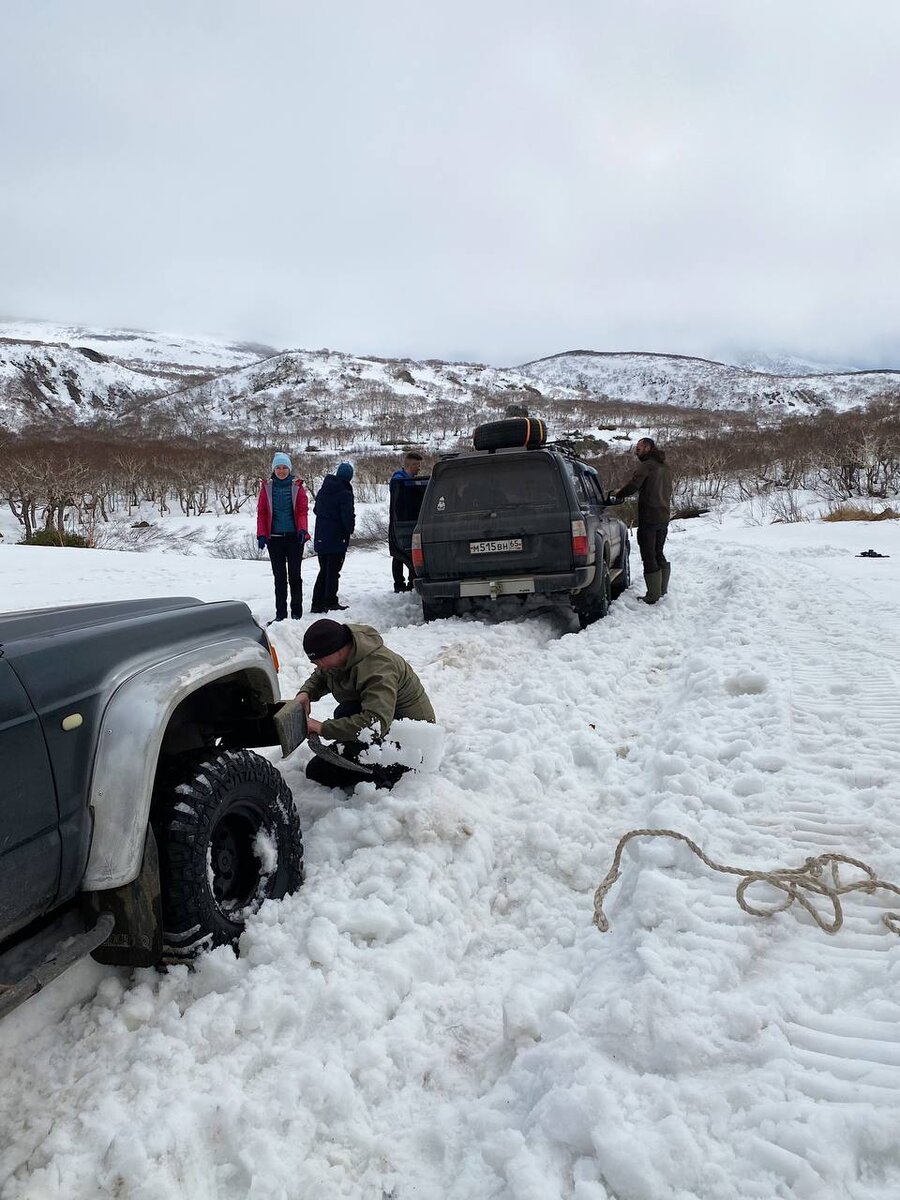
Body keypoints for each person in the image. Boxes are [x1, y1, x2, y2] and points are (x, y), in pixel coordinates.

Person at [296, 619, 436, 789]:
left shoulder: (378, 667)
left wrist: (322, 728)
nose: (318, 666)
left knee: (346, 713)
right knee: (317, 770)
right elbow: (322, 675)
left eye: (319, 660)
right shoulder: (343, 656)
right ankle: (360, 754)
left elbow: (375, 724)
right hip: (385, 731)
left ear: (337, 650)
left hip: (412, 746)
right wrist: (306, 693)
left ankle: (383, 776)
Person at [609, 437, 673, 605]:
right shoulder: (665, 467)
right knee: (658, 552)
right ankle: (661, 590)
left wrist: (617, 494)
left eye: (639, 447)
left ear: (648, 447)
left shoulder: (647, 466)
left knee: (648, 555)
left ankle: (653, 595)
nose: (636, 450)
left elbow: (633, 486)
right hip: (664, 516)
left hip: (649, 517)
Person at [256, 452, 309, 621]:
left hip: (294, 538)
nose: (281, 471)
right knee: (279, 578)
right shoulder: (267, 488)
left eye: (284, 467)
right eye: (278, 467)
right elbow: (262, 513)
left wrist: (302, 529)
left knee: (295, 575)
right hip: (275, 539)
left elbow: (302, 511)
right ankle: (281, 614)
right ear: (273, 469)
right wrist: (262, 534)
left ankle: (296, 613)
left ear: (289, 469)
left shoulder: (297, 487)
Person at [311, 462, 355, 613]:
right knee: (333, 571)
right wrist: (349, 529)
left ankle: (317, 602)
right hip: (337, 538)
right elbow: (347, 516)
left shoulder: (323, 490)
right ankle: (330, 601)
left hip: (322, 536)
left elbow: (316, 510)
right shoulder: (345, 493)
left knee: (324, 570)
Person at [388, 451, 424, 592]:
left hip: (408, 520)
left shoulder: (407, 481)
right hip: (400, 521)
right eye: (418, 465)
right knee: (399, 554)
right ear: (411, 465)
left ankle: (410, 581)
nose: (419, 468)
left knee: (410, 552)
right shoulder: (400, 481)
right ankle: (399, 584)